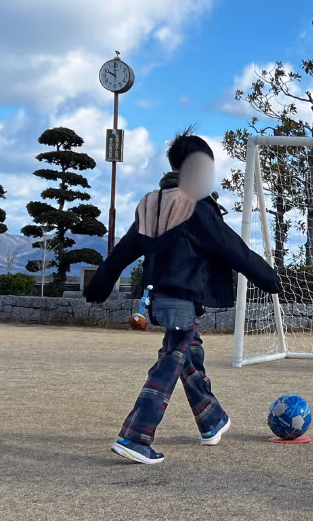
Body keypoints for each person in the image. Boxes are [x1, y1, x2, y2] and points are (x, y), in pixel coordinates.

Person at [84, 130, 280, 464]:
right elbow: (234, 250)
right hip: (182, 298)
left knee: (190, 351)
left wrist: (98, 286)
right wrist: (271, 279)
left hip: (157, 298)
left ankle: (211, 419)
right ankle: (136, 435)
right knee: (171, 359)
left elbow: (123, 252)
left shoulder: (154, 203)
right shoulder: (197, 207)